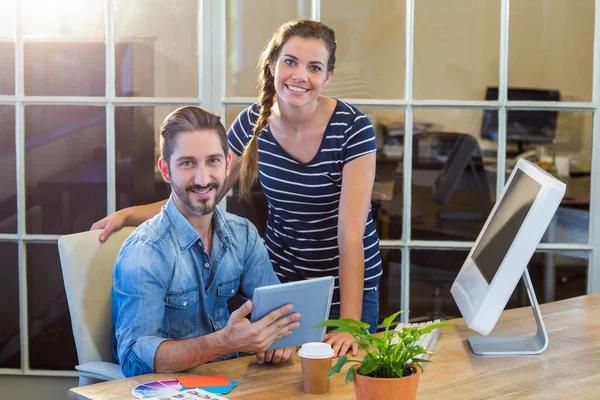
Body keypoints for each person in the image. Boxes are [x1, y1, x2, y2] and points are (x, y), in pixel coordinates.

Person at [95, 19, 382, 359]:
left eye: (314, 67)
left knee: (346, 379)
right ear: (273, 63)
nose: (299, 75)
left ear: (328, 76)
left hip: (346, 287)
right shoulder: (253, 123)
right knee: (283, 379)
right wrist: (128, 214)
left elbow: (350, 234)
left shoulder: (352, 129)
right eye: (290, 61)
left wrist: (349, 324)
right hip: (280, 281)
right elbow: (202, 190)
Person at [112, 106, 300, 377]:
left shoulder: (244, 235)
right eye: (187, 163)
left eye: (212, 161)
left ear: (227, 163)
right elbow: (133, 359)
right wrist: (225, 342)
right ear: (166, 170)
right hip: (171, 393)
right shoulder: (146, 252)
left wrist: (281, 340)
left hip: (233, 384)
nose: (202, 179)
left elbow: (280, 315)